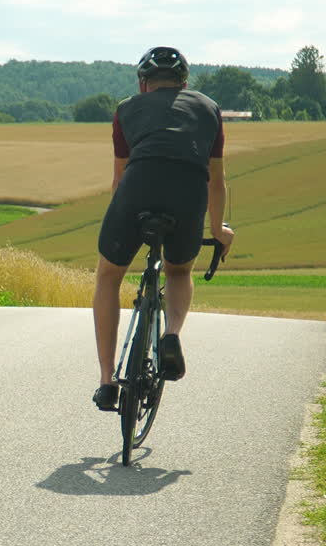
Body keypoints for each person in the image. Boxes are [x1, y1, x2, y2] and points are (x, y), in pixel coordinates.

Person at [92, 46, 236, 411]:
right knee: (178, 269)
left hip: (137, 187)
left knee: (108, 276)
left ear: (143, 84)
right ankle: (171, 334)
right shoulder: (208, 109)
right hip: (188, 191)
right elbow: (216, 181)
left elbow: (119, 178)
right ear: (184, 83)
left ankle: (107, 382)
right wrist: (218, 228)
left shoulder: (126, 110)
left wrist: (120, 220)